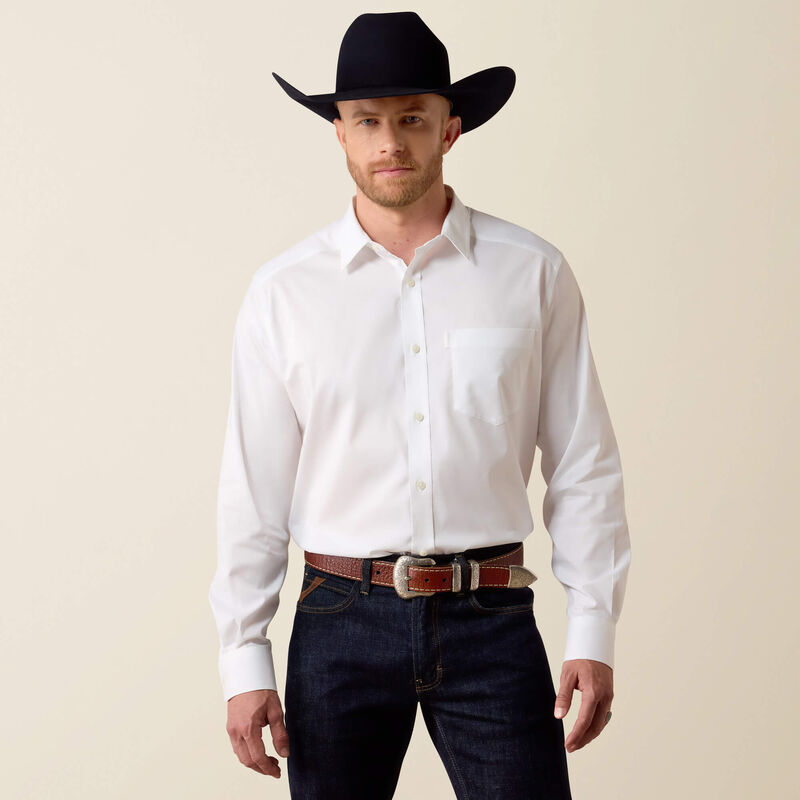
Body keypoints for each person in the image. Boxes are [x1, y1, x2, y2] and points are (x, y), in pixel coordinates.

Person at [208, 11, 631, 799]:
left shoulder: (532, 273)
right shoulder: (283, 294)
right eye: (368, 121)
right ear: (340, 132)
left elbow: (583, 462)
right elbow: (253, 488)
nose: (390, 143)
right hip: (338, 621)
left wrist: (593, 628)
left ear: (450, 129)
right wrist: (244, 658)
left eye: (411, 119)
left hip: (493, 617)